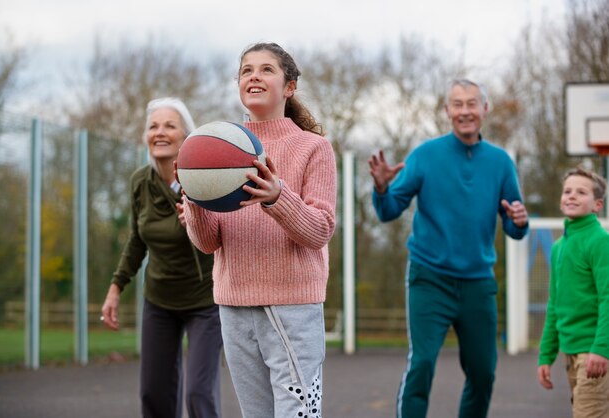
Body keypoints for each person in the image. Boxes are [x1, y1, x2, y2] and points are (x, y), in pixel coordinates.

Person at [178, 42, 336, 418]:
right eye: (247, 70)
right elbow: (207, 243)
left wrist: (277, 197)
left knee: (298, 414)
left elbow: (320, 230)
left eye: (267, 69)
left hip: (292, 306)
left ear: (290, 86)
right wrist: (195, 199)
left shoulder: (313, 148)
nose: (254, 76)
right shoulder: (213, 148)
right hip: (233, 305)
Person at [368, 78, 529, 418]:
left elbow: (515, 227)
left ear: (484, 109)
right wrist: (382, 189)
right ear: (447, 111)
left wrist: (519, 219)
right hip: (430, 279)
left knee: (483, 372)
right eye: (458, 104)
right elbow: (388, 211)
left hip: (478, 283)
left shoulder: (500, 163)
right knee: (423, 362)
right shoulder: (425, 156)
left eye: (472, 103)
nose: (465, 111)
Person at [100, 97, 222, 418]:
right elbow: (137, 240)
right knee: (153, 394)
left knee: (198, 393)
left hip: (205, 302)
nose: (160, 132)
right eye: (153, 126)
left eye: (170, 125)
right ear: (145, 136)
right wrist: (115, 289)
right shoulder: (140, 182)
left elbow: (224, 235)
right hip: (160, 301)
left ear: (186, 135)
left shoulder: (206, 180)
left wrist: (200, 222)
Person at [537, 167, 609, 417]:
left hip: (595, 352)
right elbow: (555, 304)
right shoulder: (559, 247)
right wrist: (546, 354)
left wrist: (602, 348)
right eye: (567, 191)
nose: (572, 196)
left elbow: (608, 297)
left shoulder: (600, 241)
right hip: (572, 353)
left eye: (581, 192)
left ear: (597, 205)